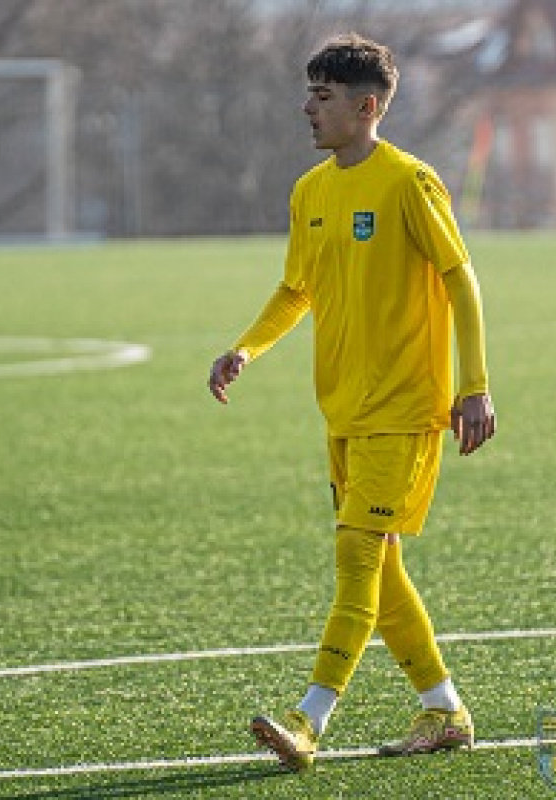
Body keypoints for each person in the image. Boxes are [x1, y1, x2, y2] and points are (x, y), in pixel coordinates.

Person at [208, 33, 496, 771]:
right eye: (309, 94)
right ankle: (445, 710)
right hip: (343, 409)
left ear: (366, 107)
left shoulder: (410, 183)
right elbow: (295, 288)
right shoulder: (311, 190)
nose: (307, 108)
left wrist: (474, 386)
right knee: (385, 568)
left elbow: (462, 282)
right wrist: (246, 347)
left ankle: (310, 721)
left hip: (405, 408)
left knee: (356, 554)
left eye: (322, 96)